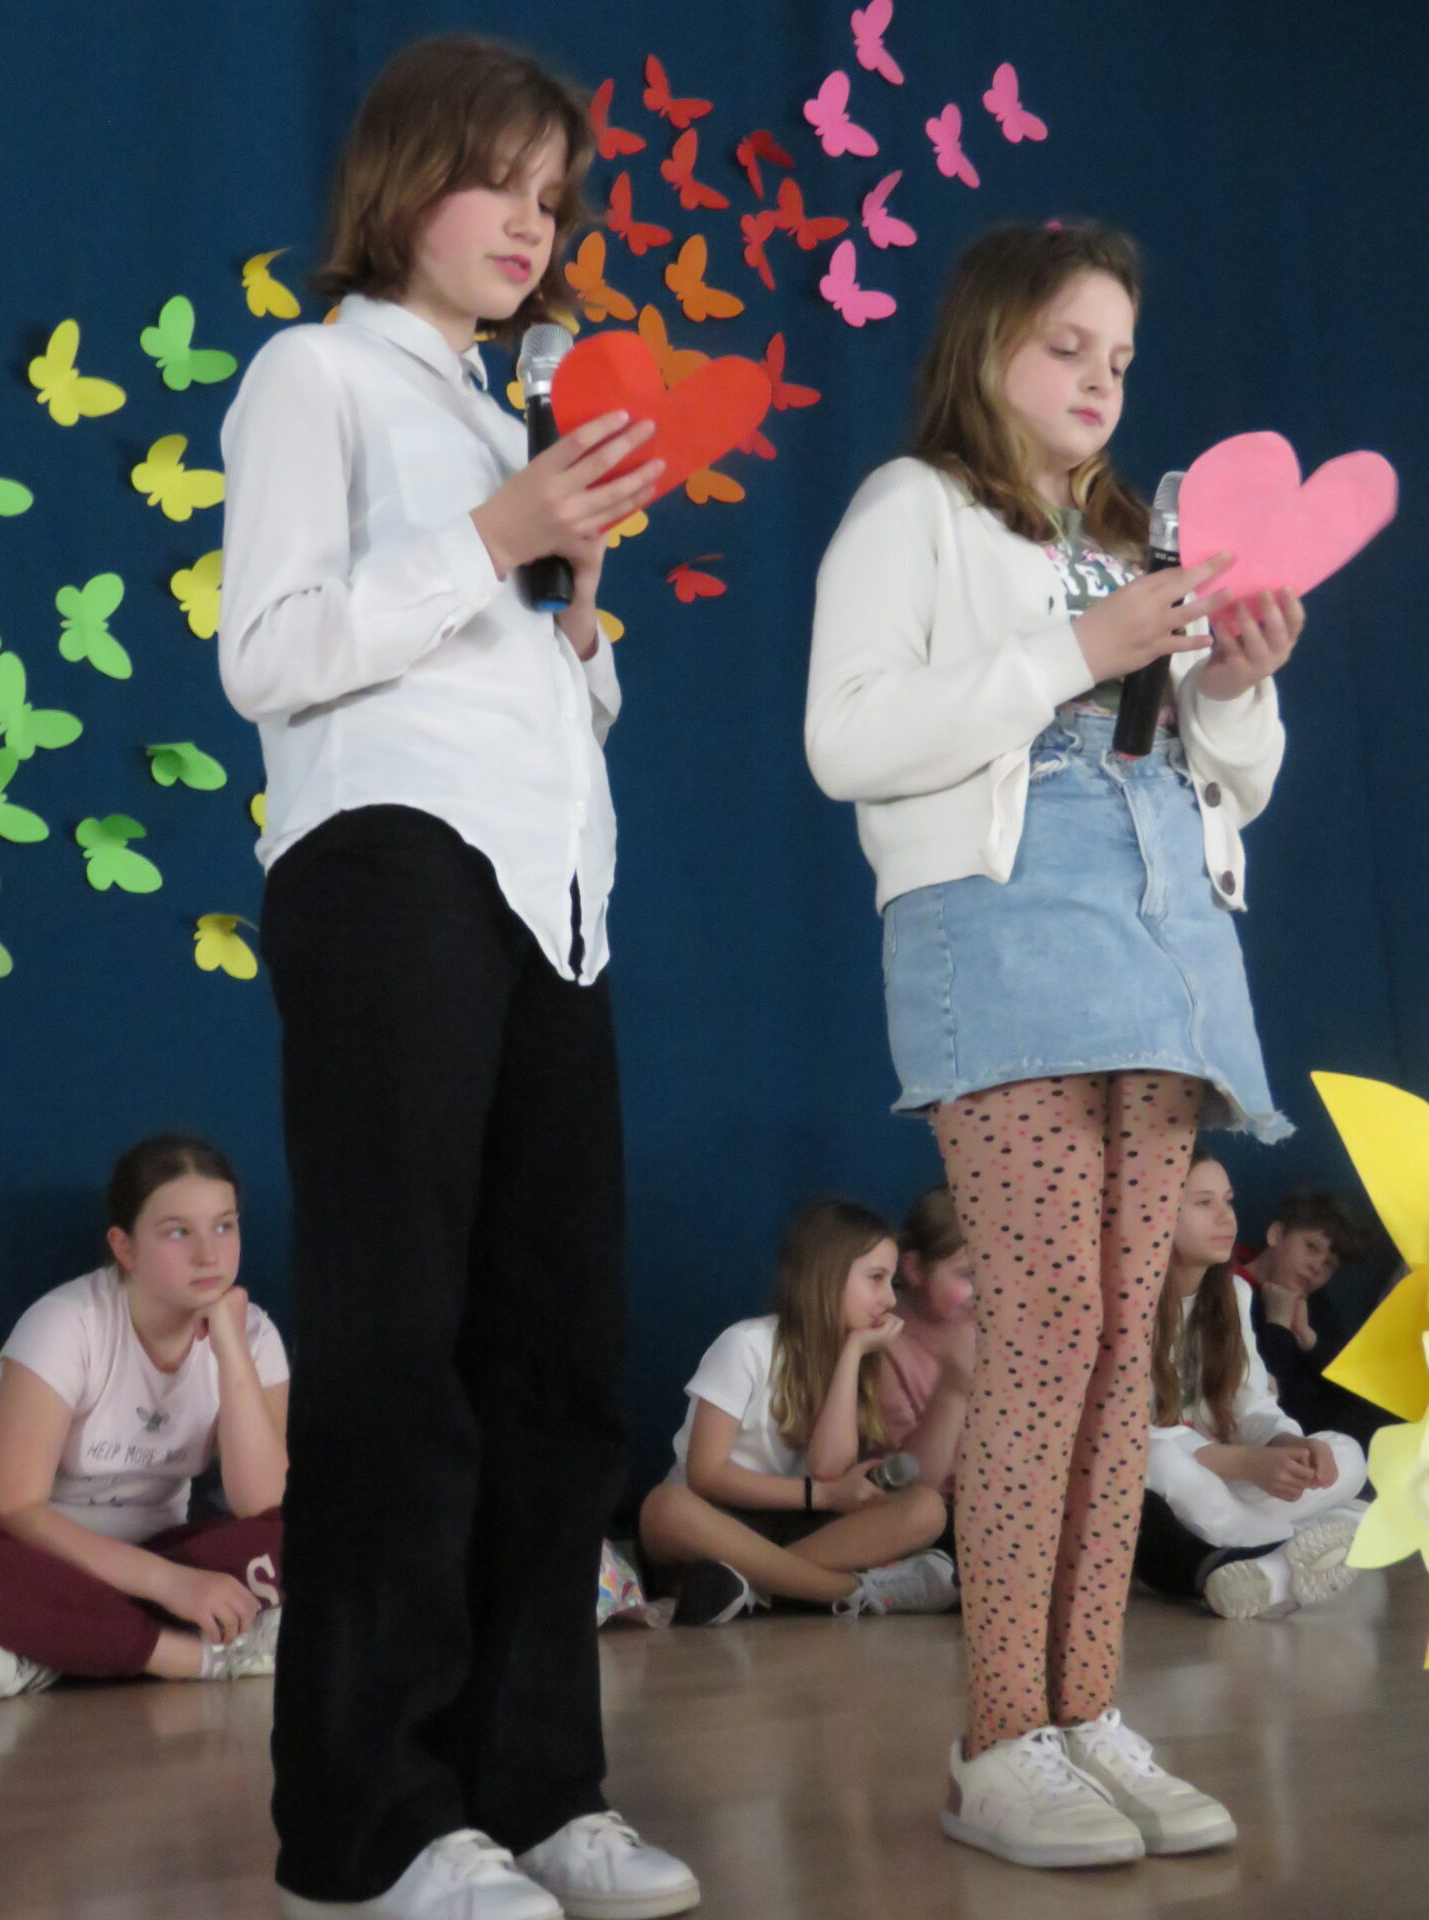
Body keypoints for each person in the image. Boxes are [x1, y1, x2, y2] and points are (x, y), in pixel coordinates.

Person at [217, 33, 696, 1920]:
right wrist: (494, 540)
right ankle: (374, 1824)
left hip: (554, 896)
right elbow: (270, 653)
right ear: (404, 177)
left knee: (556, 1357)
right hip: (387, 871)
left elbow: (543, 695)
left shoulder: (515, 428)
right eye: (500, 178)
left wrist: (575, 616)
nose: (531, 222)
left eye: (555, 196)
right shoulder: (315, 375)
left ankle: (536, 1781)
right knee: (396, 1350)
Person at [806, 221, 1304, 1870]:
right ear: (988, 341)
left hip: (1162, 948)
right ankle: (1000, 1736)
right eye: (1068, 345)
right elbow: (846, 738)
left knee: (1121, 1346)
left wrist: (1234, 685)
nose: (1101, 379)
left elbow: (1229, 781)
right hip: (1005, 939)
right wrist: (1079, 651)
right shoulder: (914, 508)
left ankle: (1085, 1709)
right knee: (1044, 1334)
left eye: (1121, 357)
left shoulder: (1133, 534)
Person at [0, 1135, 287, 1700]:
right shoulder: (67, 1324)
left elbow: (264, 1505)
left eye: (224, 1226)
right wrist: (172, 1587)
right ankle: (192, 1655)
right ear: (124, 1248)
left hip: (164, 1548)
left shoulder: (253, 1334)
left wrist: (230, 1346)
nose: (209, 1254)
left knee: (303, 1537)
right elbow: (11, 1508)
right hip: (38, 1559)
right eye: (178, 1232)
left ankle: (51, 1646)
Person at [638, 1201, 956, 1625]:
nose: (890, 1298)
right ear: (826, 1275)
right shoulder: (746, 1345)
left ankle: (748, 1588)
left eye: (892, 1281)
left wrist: (852, 1355)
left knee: (927, 1509)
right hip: (717, 1517)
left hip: (795, 1526)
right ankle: (852, 1592)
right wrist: (823, 1496)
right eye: (876, 1278)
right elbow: (705, 1474)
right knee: (665, 1508)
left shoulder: (858, 1358)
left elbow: (829, 1470)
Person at [1137, 1151, 1366, 1619]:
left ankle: (1263, 1565)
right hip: (1173, 1485)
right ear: (1157, 1214)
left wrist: (1288, 1445)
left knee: (1346, 1455)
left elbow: (1253, 1404)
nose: (1226, 1217)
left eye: (1228, 1200)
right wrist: (1245, 1462)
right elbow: (1125, 1436)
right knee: (1156, 1459)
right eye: (1204, 1203)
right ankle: (1294, 1548)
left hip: (1226, 1486)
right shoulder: (1129, 1302)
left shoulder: (1234, 1293)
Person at [1234, 1192, 1378, 1443]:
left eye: (1329, 1264)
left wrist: (1310, 1341)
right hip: (1265, 1439)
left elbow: (1353, 1391)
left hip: (1326, 1436)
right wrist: (1278, 1325)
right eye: (1311, 1247)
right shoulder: (1227, 1287)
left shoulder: (1315, 1302)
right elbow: (1257, 1399)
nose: (1316, 1267)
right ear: (1277, 1235)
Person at [878, 1186, 976, 1504]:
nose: (988, 1292)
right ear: (914, 1269)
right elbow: (908, 1486)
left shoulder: (999, 1331)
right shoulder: (882, 1345)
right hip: (937, 1514)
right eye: (968, 1275)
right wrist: (953, 1389)